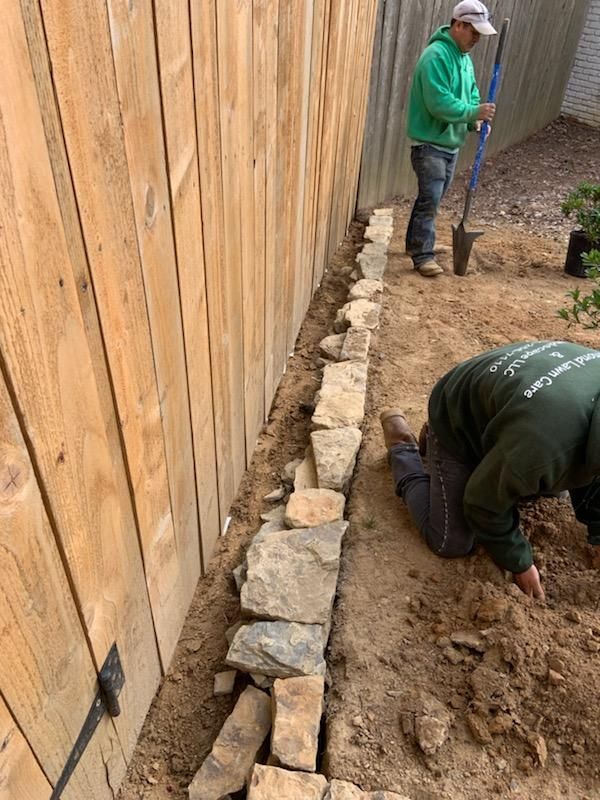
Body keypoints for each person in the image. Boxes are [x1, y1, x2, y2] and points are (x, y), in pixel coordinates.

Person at [380, 341, 600, 599]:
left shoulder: (556, 444)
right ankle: (405, 448)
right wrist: (519, 562)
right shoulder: (545, 449)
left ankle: (485, 450)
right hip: (457, 409)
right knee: (450, 541)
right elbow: (481, 503)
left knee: (550, 487)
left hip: (514, 394)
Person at [406, 0, 497, 277]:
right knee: (431, 199)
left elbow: (470, 95)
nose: (478, 38)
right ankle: (423, 255)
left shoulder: (463, 59)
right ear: (458, 25)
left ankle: (414, 244)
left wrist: (475, 121)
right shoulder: (436, 56)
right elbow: (439, 103)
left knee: (430, 198)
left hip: (449, 145)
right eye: (474, 32)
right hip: (429, 144)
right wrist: (473, 111)